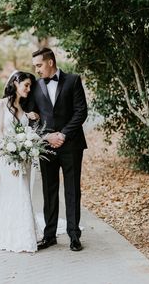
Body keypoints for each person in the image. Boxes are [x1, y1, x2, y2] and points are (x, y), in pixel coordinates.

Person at [0, 71, 41, 253]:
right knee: (15, 191)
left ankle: (26, 232)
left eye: (30, 86)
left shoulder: (24, 107)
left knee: (24, 193)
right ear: (15, 83)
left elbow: (28, 131)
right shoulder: (0, 104)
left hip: (25, 157)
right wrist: (11, 158)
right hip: (8, 157)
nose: (28, 89)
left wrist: (34, 118)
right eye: (26, 85)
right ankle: (14, 233)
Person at [29, 48, 88, 251]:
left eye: (39, 65)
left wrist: (63, 134)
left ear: (51, 62)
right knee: (49, 190)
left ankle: (74, 235)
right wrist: (47, 136)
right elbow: (31, 117)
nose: (36, 70)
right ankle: (50, 235)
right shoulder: (35, 86)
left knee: (72, 189)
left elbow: (81, 111)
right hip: (46, 146)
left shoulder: (73, 80)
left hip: (71, 144)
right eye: (35, 66)